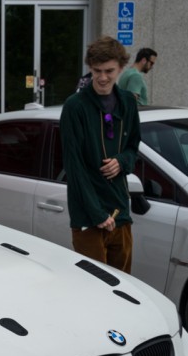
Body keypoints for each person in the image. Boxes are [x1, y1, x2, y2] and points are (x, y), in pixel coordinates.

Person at [61, 35, 142, 273]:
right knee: (94, 290)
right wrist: (97, 213)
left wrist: (121, 161)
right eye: (97, 71)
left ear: (121, 68)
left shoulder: (127, 102)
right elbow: (73, 166)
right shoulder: (75, 106)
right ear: (90, 68)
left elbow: (134, 146)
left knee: (124, 286)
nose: (103, 77)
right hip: (88, 217)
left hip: (120, 212)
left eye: (109, 71)